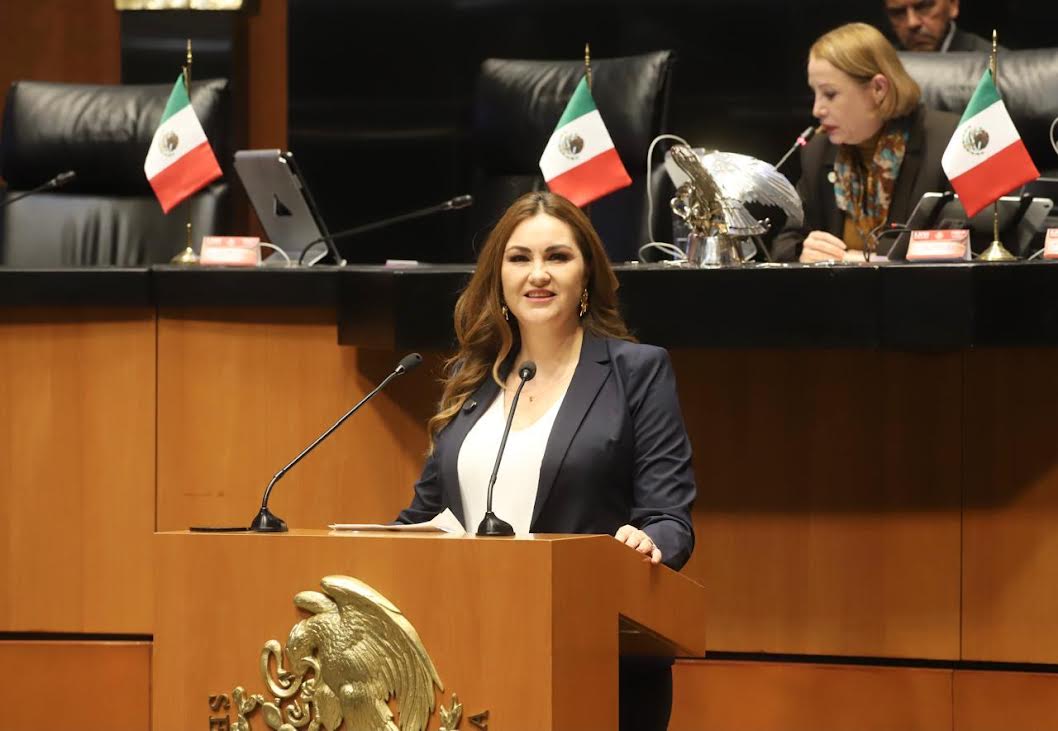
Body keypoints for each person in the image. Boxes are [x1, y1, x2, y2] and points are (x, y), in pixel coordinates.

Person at [396, 190, 696, 730]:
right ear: (499, 278)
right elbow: (424, 518)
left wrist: (647, 542)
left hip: (593, 654)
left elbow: (669, 518)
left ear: (587, 275)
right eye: (520, 258)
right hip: (471, 653)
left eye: (557, 256)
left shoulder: (636, 372)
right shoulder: (472, 380)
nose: (538, 274)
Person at [772, 22, 960, 263]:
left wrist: (864, 259)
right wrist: (802, 251)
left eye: (830, 94)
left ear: (878, 89)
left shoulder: (948, 142)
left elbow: (965, 241)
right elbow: (785, 242)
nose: (817, 110)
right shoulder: (819, 150)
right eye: (814, 93)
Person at [883, 0, 993, 53]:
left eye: (924, 7)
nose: (912, 23)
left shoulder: (992, 64)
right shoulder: (884, 64)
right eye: (897, 13)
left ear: (953, 4)